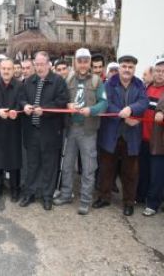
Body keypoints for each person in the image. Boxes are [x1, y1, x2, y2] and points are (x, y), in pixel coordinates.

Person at [53, 48, 108, 215]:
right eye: (80, 61)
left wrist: (91, 110)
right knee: (67, 165)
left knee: (89, 167)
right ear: (75, 62)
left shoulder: (97, 81)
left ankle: (85, 200)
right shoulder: (68, 79)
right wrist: (67, 105)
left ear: (89, 62)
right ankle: (65, 194)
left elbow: (104, 103)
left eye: (86, 61)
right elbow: (61, 100)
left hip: (88, 131)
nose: (83, 64)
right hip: (70, 129)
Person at [94, 55, 149, 216]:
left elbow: (144, 102)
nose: (127, 69)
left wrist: (131, 109)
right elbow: (105, 103)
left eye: (130, 67)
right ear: (119, 68)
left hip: (131, 135)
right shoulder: (109, 84)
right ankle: (104, 197)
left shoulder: (139, 85)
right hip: (110, 133)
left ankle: (128, 202)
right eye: (124, 66)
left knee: (130, 172)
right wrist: (122, 114)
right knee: (106, 168)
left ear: (134, 69)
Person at [19, 51, 69, 210]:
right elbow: (21, 97)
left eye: (42, 64)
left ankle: (47, 196)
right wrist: (25, 105)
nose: (39, 67)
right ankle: (30, 193)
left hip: (50, 131)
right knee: (32, 164)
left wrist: (45, 110)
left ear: (49, 64)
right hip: (32, 130)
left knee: (49, 165)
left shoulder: (58, 81)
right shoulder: (28, 81)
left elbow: (62, 101)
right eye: (37, 64)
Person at [0, 59, 23, 202]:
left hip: (14, 128)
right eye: (4, 68)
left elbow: (22, 102)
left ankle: (15, 190)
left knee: (14, 161)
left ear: (13, 70)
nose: (6, 71)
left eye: (9, 69)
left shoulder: (20, 86)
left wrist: (17, 111)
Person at [139, 58, 164, 216]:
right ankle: (141, 197)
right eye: (158, 71)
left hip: (158, 141)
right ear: (153, 73)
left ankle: (153, 204)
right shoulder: (146, 88)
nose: (160, 74)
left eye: (163, 72)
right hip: (143, 138)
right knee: (144, 171)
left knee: (157, 174)